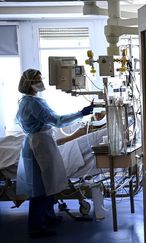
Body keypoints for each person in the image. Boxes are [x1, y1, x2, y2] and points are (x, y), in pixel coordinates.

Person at [15, 68, 94, 238]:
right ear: (30, 84)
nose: (41, 81)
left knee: (47, 184)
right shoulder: (34, 103)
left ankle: (48, 217)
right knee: (40, 187)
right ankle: (35, 227)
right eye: (37, 79)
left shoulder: (26, 101)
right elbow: (57, 121)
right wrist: (81, 113)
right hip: (39, 146)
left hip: (38, 142)